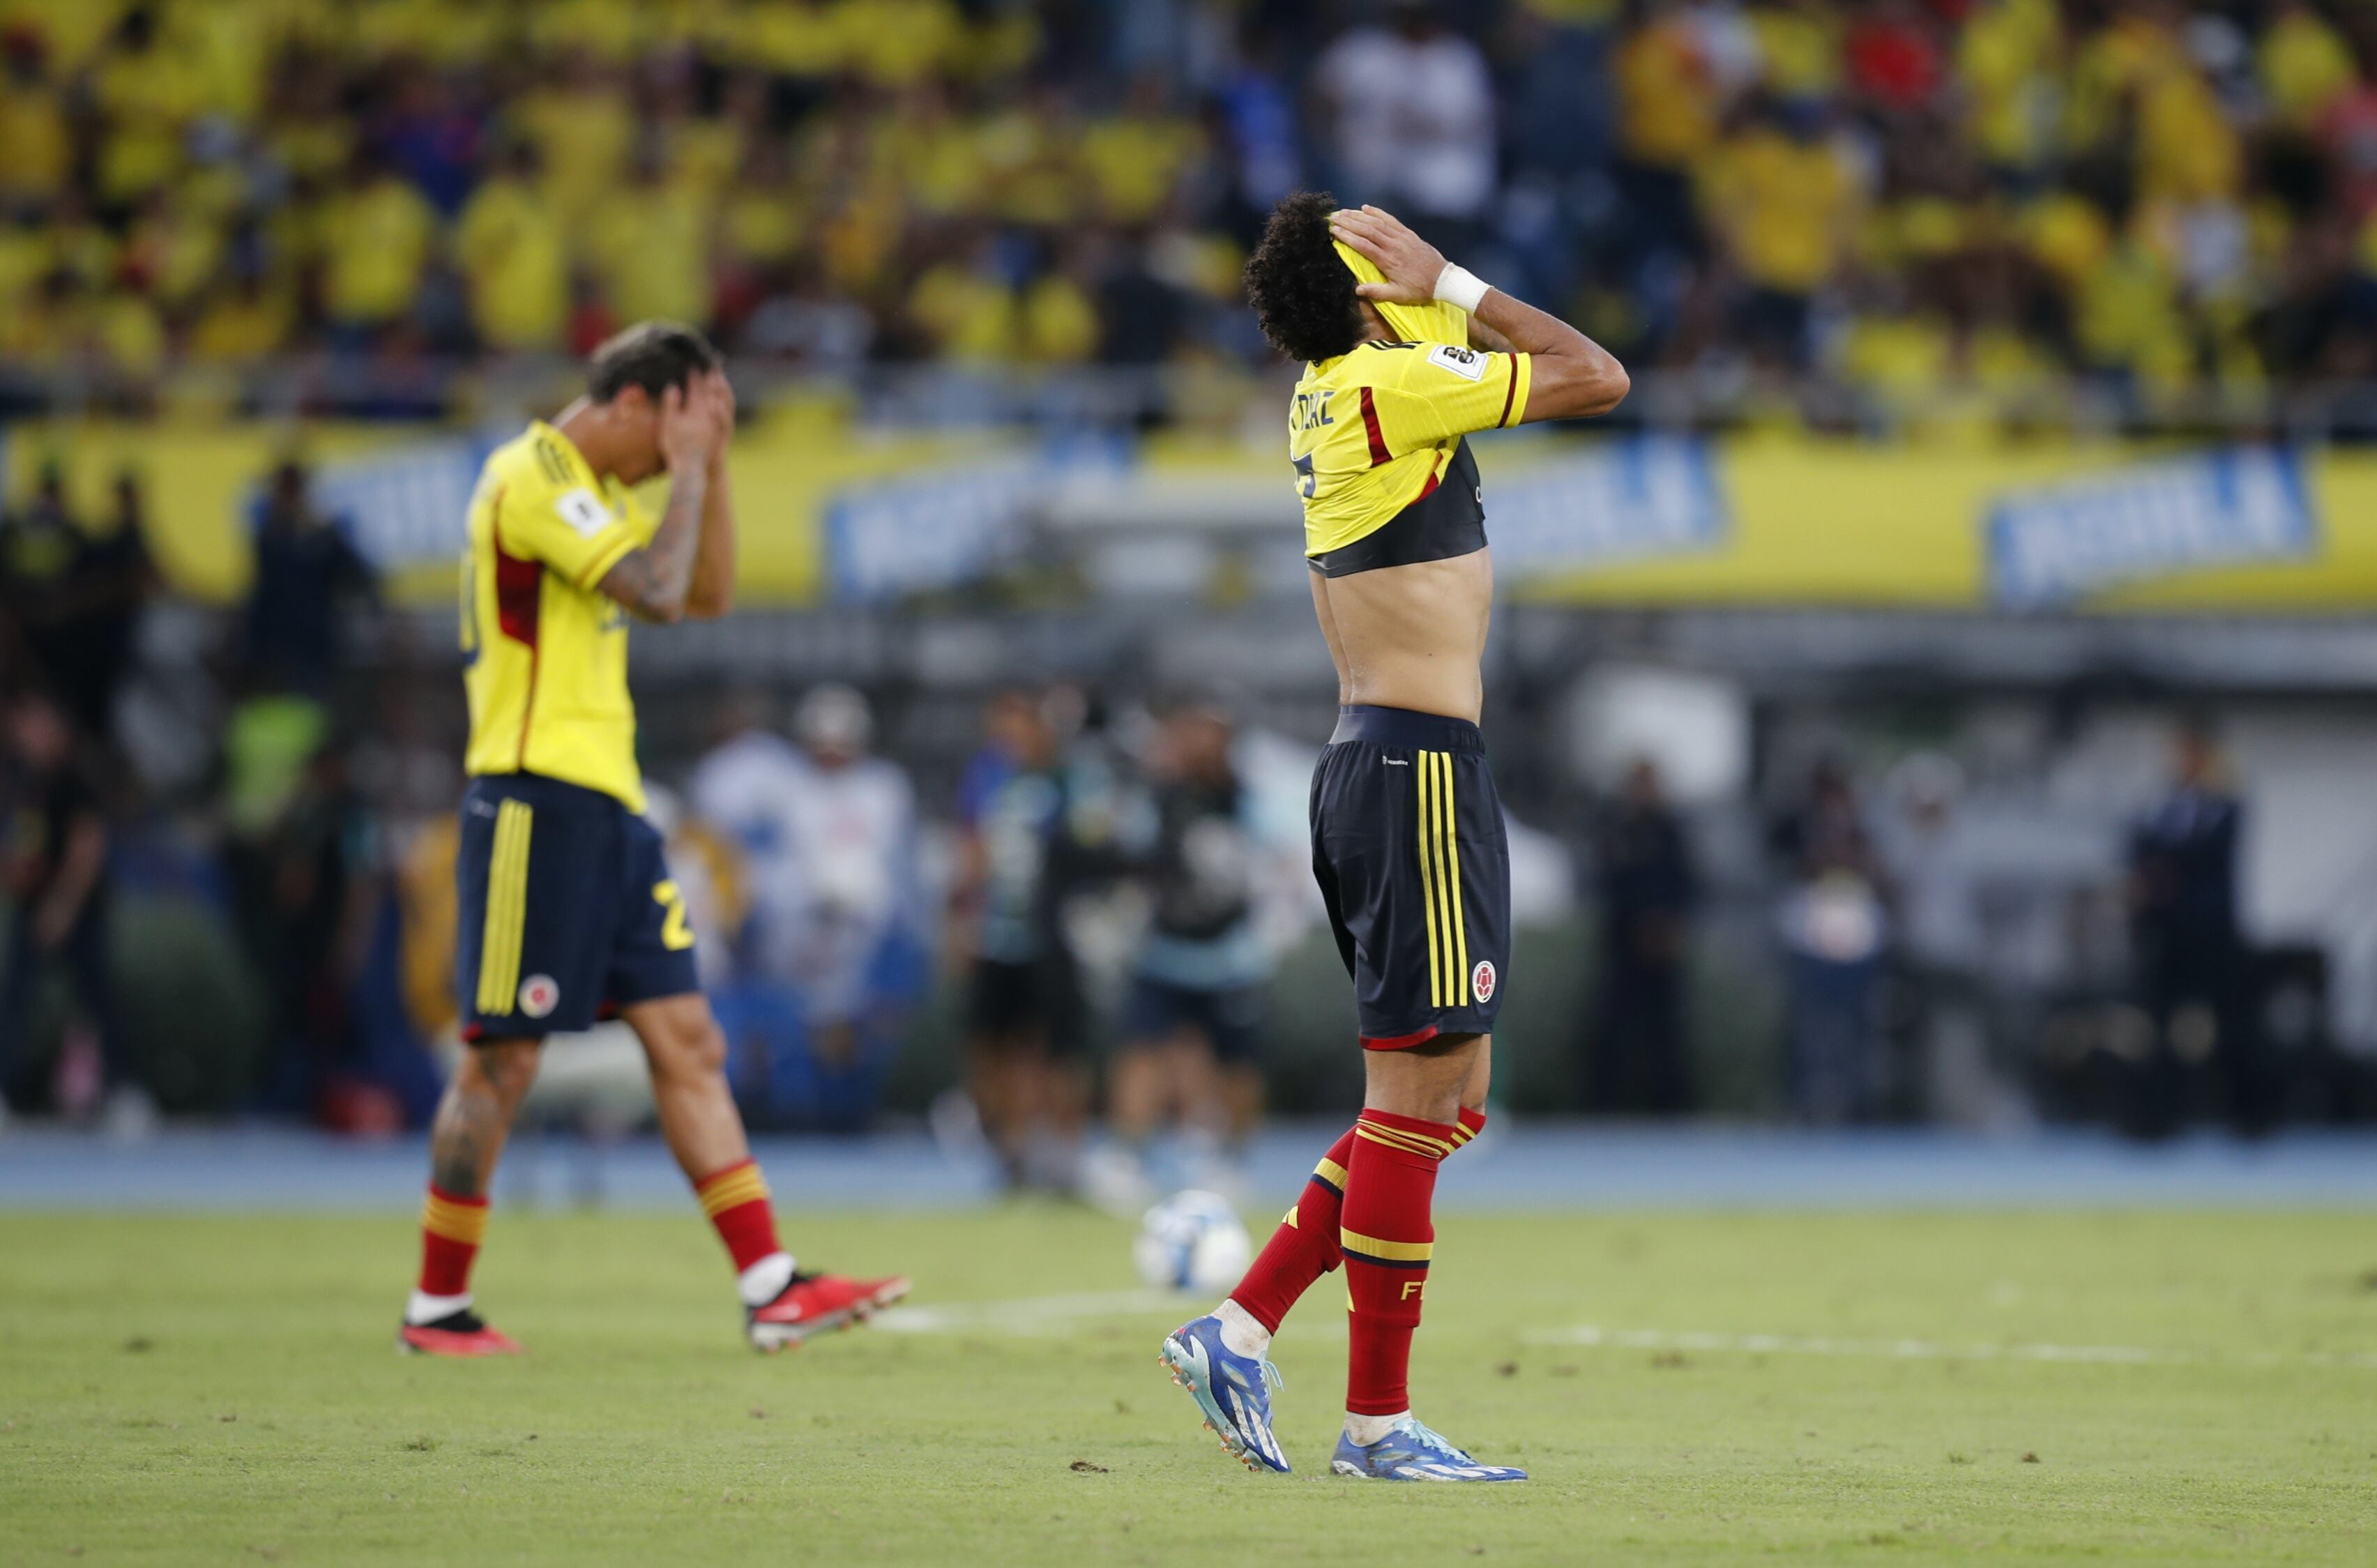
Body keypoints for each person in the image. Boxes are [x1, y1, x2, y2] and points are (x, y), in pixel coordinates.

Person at [1160, 195, 1627, 1482]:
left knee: (1445, 1100)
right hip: (1409, 768)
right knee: (1414, 1097)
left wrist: (1407, 282)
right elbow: (1597, 373)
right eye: (1391, 258)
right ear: (1372, 294)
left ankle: (1240, 1323)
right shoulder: (1388, 381)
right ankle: (1371, 1421)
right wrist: (1455, 280)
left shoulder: (1334, 389)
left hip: (1391, 759)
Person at [396, 321, 906, 1357]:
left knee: (688, 1040)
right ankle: (436, 1305)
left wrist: (705, 468)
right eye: (676, 427)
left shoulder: (605, 492)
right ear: (634, 404)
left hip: (610, 813)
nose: (663, 462)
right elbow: (663, 591)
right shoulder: (531, 476)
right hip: (534, 801)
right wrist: (681, 470)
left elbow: (706, 594)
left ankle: (771, 1285)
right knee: (502, 1060)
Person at [1098, 695, 1273, 1203]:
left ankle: (1232, 1160)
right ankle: (1128, 1157)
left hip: (1231, 955)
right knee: (1141, 1053)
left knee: (1237, 1065)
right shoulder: (1159, 796)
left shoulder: (1248, 797)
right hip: (1166, 950)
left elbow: (1275, 864)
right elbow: (1125, 852)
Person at [0, 688, 143, 1131]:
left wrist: (61, 908)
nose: (18, 732)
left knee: (98, 999)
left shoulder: (75, 778)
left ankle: (127, 1093)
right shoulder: (27, 781)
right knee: (16, 1001)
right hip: (36, 904)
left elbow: (87, 849)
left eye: (29, 722)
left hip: (77, 910)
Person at [2127, 724, 2257, 1137]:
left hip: (2211, 933)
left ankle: (2245, 1114)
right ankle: (2162, 1117)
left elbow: (2203, 857)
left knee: (2230, 1024)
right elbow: (2139, 848)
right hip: (2169, 935)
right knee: (2161, 1026)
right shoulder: (2162, 808)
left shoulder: (2225, 806)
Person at [1586, 758, 1699, 1115]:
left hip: (1663, 949)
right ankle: (1606, 1105)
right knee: (1614, 1027)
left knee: (1666, 1031)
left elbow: (1687, 884)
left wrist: (1670, 926)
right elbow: (1606, 882)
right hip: (1623, 946)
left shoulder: (1671, 830)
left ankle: (1671, 1107)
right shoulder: (1616, 828)